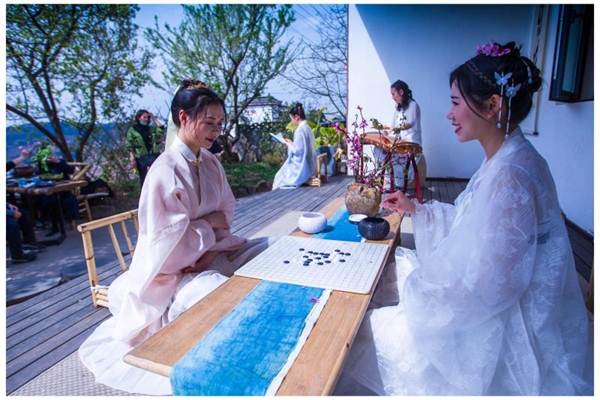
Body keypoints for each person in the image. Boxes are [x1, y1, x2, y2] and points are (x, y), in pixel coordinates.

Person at [335, 41, 593, 395]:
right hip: (489, 300)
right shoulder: (506, 157)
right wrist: (418, 210)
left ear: (493, 105)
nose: (449, 114)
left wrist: (424, 294)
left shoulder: (512, 173)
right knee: (384, 285)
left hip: (509, 327)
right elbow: (474, 222)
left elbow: (495, 288)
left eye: (456, 103)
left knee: (366, 330)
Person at [79, 79, 273, 395]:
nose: (216, 131)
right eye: (209, 122)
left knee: (271, 248)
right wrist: (207, 227)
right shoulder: (164, 171)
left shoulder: (210, 161)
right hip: (174, 273)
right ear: (183, 117)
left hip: (212, 251)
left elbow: (225, 211)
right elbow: (167, 249)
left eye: (220, 123)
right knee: (222, 295)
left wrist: (209, 238)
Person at [373, 79, 422, 190]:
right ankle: (389, 180)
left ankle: (391, 181)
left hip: (412, 145)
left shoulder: (413, 105)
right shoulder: (398, 108)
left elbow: (410, 124)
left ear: (401, 92)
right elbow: (391, 126)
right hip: (400, 143)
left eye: (393, 94)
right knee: (378, 150)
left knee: (390, 156)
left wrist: (396, 128)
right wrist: (381, 128)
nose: (392, 97)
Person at [272, 103, 317, 190]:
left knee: (279, 176)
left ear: (296, 117)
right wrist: (292, 143)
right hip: (311, 163)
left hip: (304, 167)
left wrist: (288, 145)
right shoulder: (308, 128)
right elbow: (303, 147)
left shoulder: (300, 130)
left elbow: (298, 151)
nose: (291, 121)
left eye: (291, 119)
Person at [126, 109, 165, 188]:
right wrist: (132, 158)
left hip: (154, 156)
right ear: (139, 117)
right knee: (144, 180)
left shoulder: (151, 129)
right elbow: (130, 145)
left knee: (157, 178)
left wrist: (153, 118)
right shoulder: (132, 130)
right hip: (142, 158)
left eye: (148, 117)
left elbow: (161, 128)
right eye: (144, 117)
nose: (146, 119)